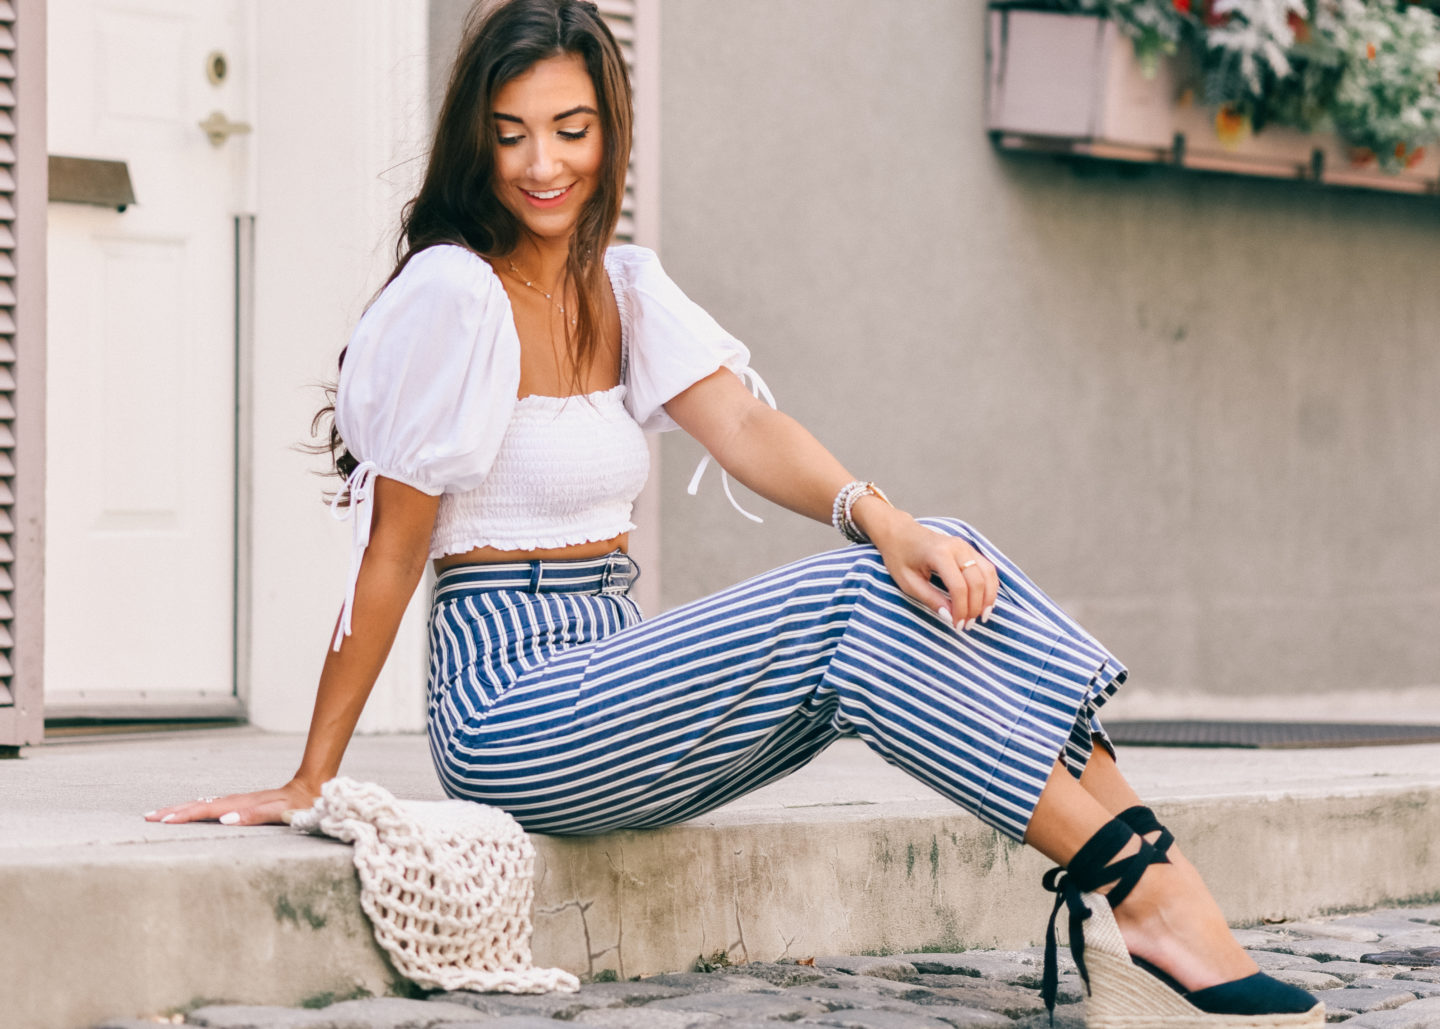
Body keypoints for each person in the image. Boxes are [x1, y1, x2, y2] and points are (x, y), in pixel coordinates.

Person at [149, 2, 1322, 1025]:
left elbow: (752, 432)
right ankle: (1150, 898)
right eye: (509, 136)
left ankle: (1166, 900)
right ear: (475, 141)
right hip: (513, 712)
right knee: (855, 597)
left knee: (939, 551)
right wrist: (313, 774)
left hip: (616, 667)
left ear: (610, 133)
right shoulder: (454, 294)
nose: (541, 165)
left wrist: (889, 516)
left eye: (570, 130)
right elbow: (391, 551)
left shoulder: (622, 283)